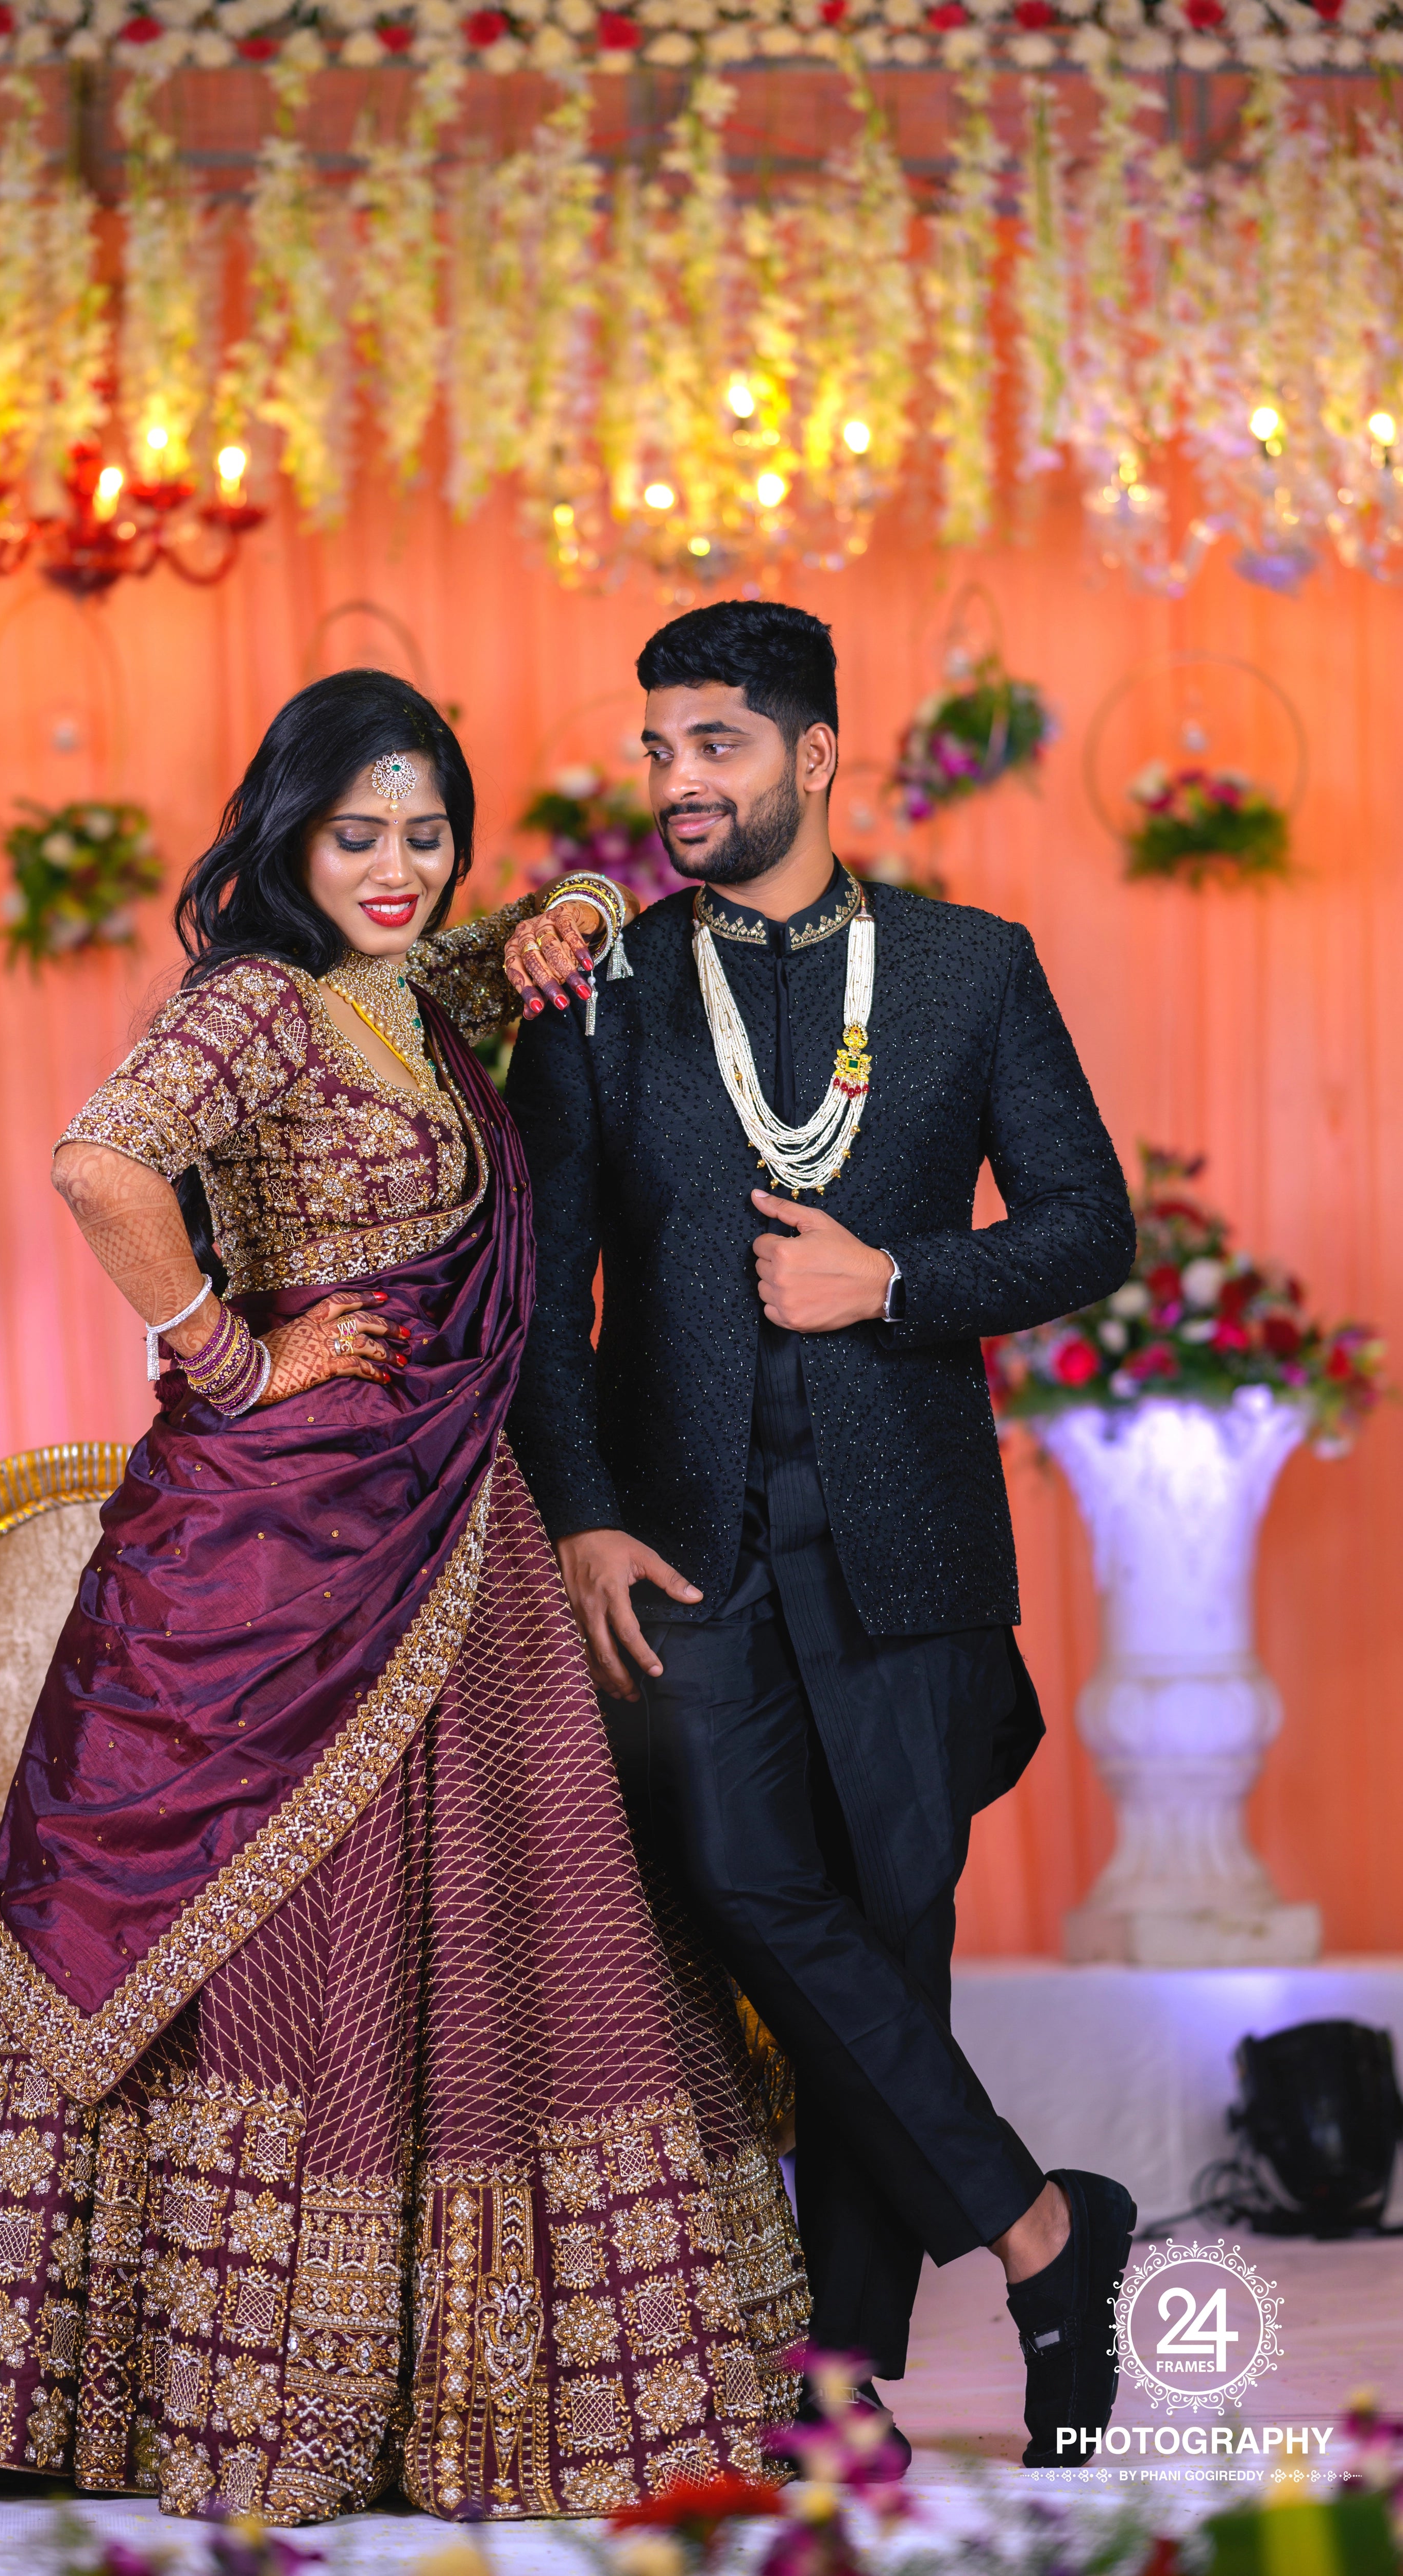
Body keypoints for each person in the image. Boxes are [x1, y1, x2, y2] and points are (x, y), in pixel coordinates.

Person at [0, 669, 807, 2525]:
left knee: (512, 1913)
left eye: (429, 834)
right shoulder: (260, 1002)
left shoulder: (405, 992)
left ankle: (478, 2379)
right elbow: (100, 1158)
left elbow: (521, 943)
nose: (404, 867)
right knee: (290, 1928)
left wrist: (573, 910)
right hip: (278, 1547)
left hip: (448, 1512)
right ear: (290, 837)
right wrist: (228, 1355)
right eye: (362, 836)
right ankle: (237, 2381)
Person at [503, 601, 1139, 2469]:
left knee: (893, 1925)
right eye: (660, 749)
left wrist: (894, 1282)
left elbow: (1088, 1226)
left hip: (907, 1539)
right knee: (747, 1883)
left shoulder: (967, 969)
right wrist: (588, 1521)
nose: (679, 783)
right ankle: (1047, 2231)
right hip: (685, 1537)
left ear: (815, 754)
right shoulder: (601, 985)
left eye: (715, 744)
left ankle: (842, 2389)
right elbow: (546, 1296)